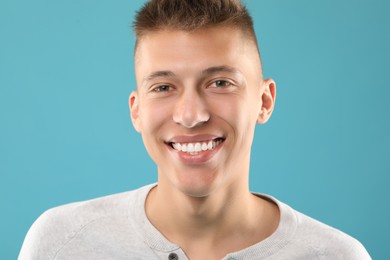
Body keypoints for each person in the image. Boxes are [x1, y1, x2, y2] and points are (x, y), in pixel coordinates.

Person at [19, 0, 371, 259]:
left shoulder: (337, 255)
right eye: (163, 87)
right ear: (136, 110)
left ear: (264, 101)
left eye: (219, 82)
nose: (190, 115)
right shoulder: (61, 243)